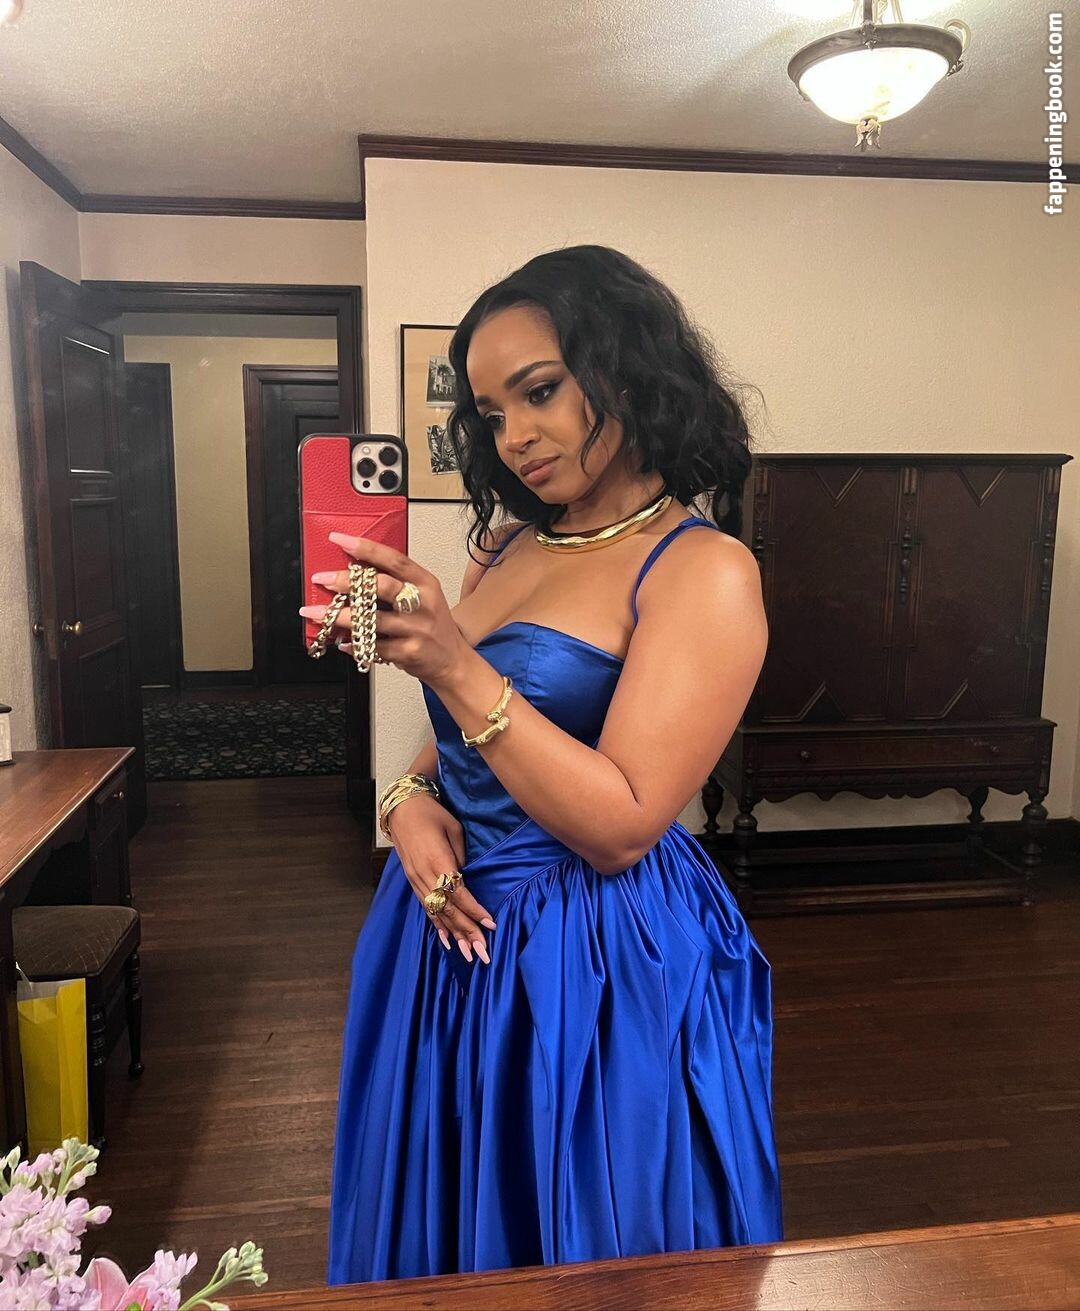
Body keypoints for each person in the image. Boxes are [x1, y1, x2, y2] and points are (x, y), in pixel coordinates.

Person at [312, 245, 784, 1284]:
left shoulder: (704, 570)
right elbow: (446, 743)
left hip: (592, 956)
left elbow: (621, 824)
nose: (515, 437)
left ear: (630, 369)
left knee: (581, 1218)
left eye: (539, 391)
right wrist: (405, 803)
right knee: (447, 1203)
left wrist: (451, 657)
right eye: (491, 414)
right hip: (442, 931)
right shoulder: (505, 547)